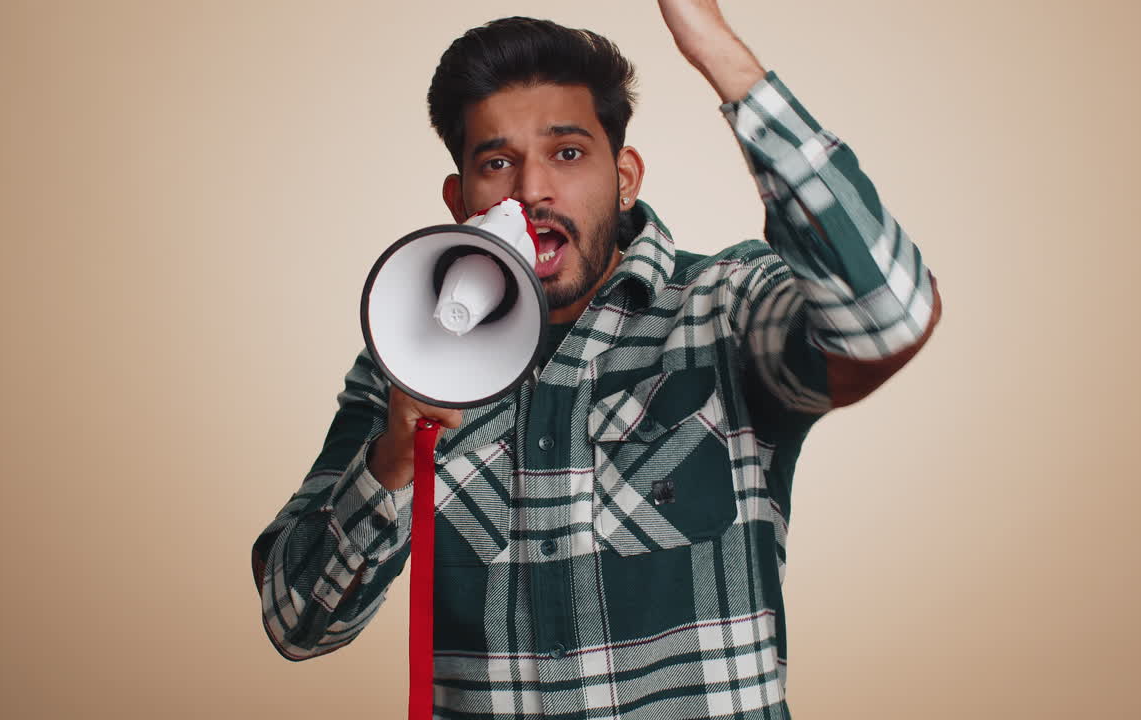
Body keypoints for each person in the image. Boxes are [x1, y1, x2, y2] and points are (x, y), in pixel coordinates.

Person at [252, 2, 942, 718]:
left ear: (626, 177)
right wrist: (394, 459)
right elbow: (295, 625)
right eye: (497, 162)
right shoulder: (404, 367)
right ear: (461, 202)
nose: (531, 191)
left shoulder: (722, 309)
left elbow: (885, 314)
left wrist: (719, 54)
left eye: (569, 153)